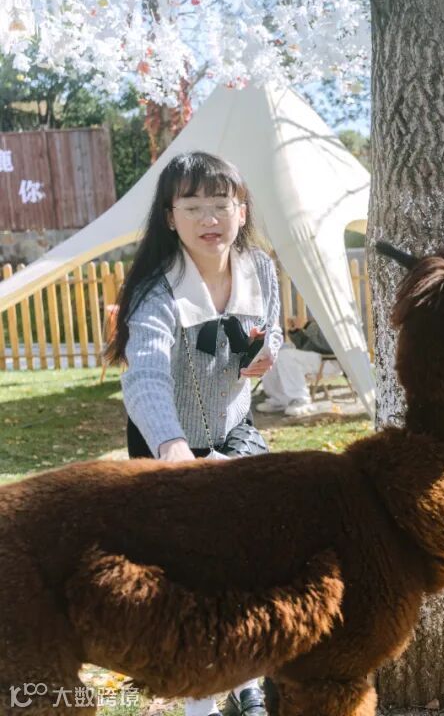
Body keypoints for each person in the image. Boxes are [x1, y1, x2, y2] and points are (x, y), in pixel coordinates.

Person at [105, 151, 282, 716]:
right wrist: (173, 447)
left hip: (234, 431)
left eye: (221, 204)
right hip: (165, 444)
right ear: (170, 217)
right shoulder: (155, 290)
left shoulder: (261, 269)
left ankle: (248, 679)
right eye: (193, 205)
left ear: (241, 210)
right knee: (189, 579)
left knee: (254, 557)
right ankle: (200, 701)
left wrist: (267, 352)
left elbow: (271, 329)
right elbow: (145, 377)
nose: (210, 218)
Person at [256, 317, 341, 417]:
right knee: (272, 353)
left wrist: (307, 325)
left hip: (331, 362)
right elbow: (306, 346)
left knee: (286, 355)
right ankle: (280, 399)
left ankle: (301, 400)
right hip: (318, 358)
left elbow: (328, 345)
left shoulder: (338, 320)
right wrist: (296, 331)